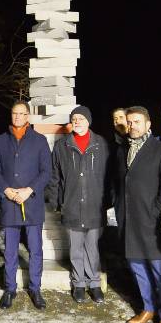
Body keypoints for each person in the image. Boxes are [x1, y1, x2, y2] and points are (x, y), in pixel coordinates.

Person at [112, 106, 161, 323]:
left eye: (137, 122)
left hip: (151, 221)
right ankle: (148, 308)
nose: (132, 126)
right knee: (138, 268)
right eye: (129, 122)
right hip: (128, 220)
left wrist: (157, 212)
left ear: (148, 124)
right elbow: (118, 184)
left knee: (159, 270)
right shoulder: (122, 150)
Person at [0, 101, 52, 311]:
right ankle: (9, 288)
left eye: (21, 114)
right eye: (14, 113)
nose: (17, 117)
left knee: (35, 249)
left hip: (31, 202)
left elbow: (46, 172)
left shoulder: (39, 140)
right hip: (10, 202)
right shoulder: (0, 141)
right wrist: (5, 190)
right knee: (10, 250)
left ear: (28, 116)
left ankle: (35, 288)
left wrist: (29, 190)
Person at [47, 105, 109, 304]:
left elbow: (108, 176)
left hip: (94, 205)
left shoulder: (100, 144)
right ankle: (79, 284)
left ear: (89, 121)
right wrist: (56, 201)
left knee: (93, 248)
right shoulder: (62, 146)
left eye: (81, 119)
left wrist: (106, 202)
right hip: (72, 204)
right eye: (74, 119)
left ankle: (94, 283)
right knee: (75, 248)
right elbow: (55, 176)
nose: (77, 122)